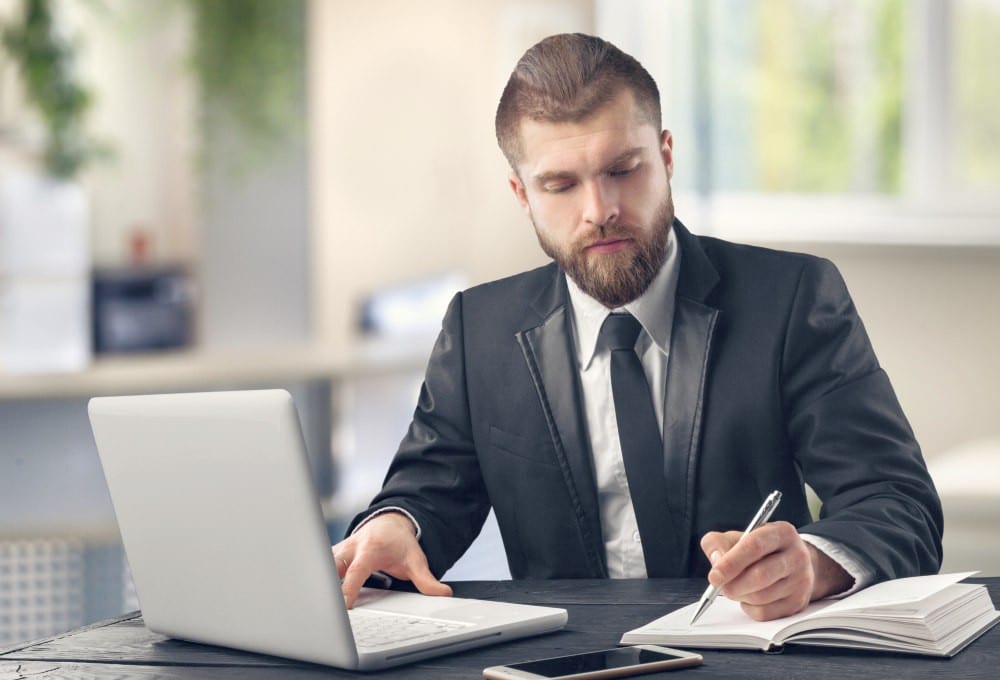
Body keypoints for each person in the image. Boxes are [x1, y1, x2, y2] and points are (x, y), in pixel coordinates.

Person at [332, 33, 942, 621]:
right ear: (522, 194)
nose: (600, 211)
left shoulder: (792, 299)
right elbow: (427, 492)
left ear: (667, 155)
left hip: (746, 655)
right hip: (558, 662)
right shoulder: (478, 329)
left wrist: (812, 565)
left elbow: (898, 503)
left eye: (623, 169)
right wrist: (392, 526)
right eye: (561, 184)